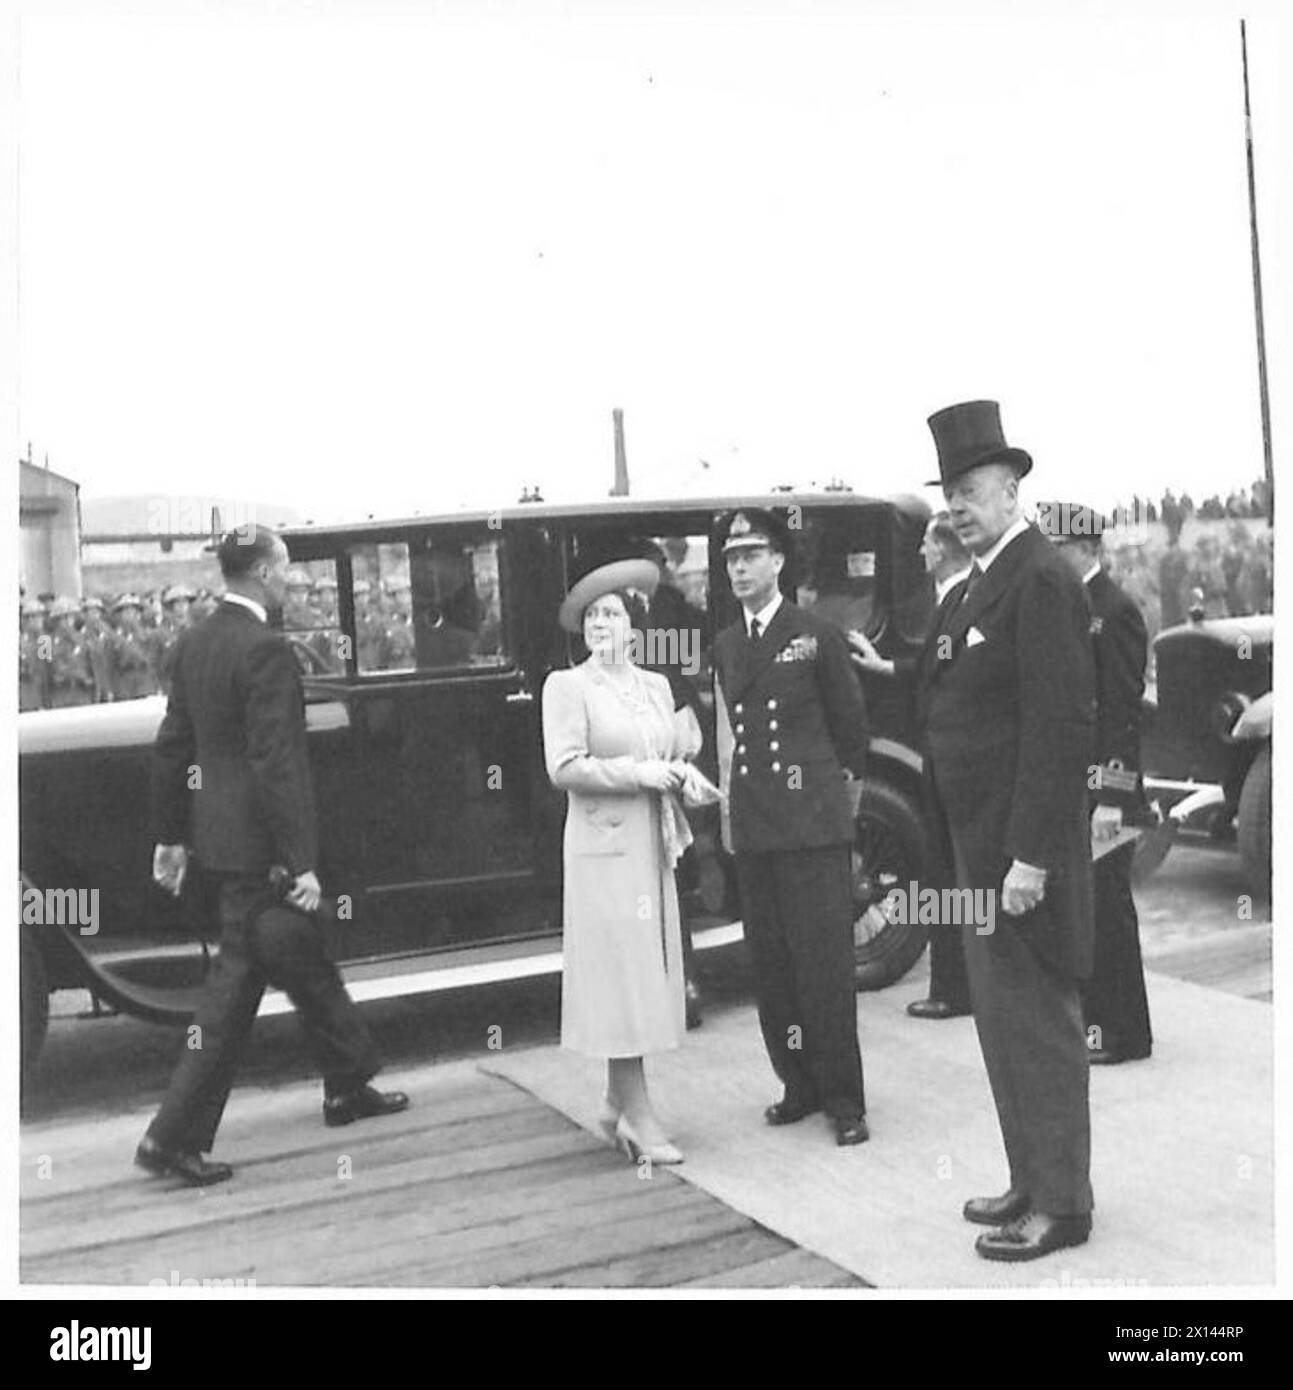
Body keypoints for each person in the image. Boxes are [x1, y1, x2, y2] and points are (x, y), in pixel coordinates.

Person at [136, 526, 408, 1187]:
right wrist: (301, 858)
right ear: (261, 572)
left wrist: (171, 837)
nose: (288, 579)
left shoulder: (197, 641)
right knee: (231, 995)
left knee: (296, 950)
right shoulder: (265, 652)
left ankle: (348, 1080)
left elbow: (173, 745)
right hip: (258, 849)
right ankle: (170, 1138)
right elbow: (275, 761)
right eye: (283, 568)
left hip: (219, 839)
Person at [919, 401, 1095, 1262]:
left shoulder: (1039, 578)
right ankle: (1029, 1178)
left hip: (1021, 853)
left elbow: (1060, 728)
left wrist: (1029, 856)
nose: (955, 505)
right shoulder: (982, 578)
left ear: (1012, 486)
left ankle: (1062, 1204)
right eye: (947, 490)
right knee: (1000, 1022)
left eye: (970, 487)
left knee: (1038, 1023)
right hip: (978, 847)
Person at [712, 508, 870, 1147]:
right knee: (772, 969)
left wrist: (840, 813)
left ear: (778, 561)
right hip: (757, 826)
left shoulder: (816, 633)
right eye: (731, 558)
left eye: (751, 554)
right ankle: (797, 1083)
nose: (740, 567)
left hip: (811, 826)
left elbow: (852, 732)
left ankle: (845, 1099)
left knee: (824, 968)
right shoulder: (726, 644)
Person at [542, 558, 695, 1165]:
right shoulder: (568, 687)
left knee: (646, 970)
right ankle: (639, 1116)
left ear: (635, 624)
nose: (605, 624)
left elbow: (669, 750)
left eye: (616, 613)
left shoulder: (655, 686)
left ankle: (613, 1099)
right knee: (621, 975)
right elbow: (564, 767)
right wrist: (638, 773)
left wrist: (682, 769)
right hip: (602, 851)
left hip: (651, 846)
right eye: (594, 615)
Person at [847, 510, 974, 1019]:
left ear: (941, 550)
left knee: (956, 874)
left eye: (926, 545)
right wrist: (886, 666)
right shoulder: (954, 597)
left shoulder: (967, 597)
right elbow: (936, 663)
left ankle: (959, 987)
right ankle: (956, 984)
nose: (920, 553)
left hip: (959, 755)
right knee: (946, 872)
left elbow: (956, 671)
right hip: (946, 753)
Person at [1041, 503, 1153, 1065]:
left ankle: (1128, 1034)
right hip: (1075, 791)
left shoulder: (1114, 610)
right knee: (1085, 911)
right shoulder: (1073, 607)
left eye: (1058, 545)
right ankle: (1096, 1022)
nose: (1051, 555)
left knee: (1109, 912)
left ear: (1086, 548)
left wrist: (1111, 794)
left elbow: (1121, 713)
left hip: (1105, 794)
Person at [19, 598, 49, 711]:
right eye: (38, 616)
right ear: (30, 618)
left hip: (40, 693)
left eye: (41, 616)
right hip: (27, 693)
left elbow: (45, 668)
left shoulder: (44, 639)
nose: (41, 620)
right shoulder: (22, 640)